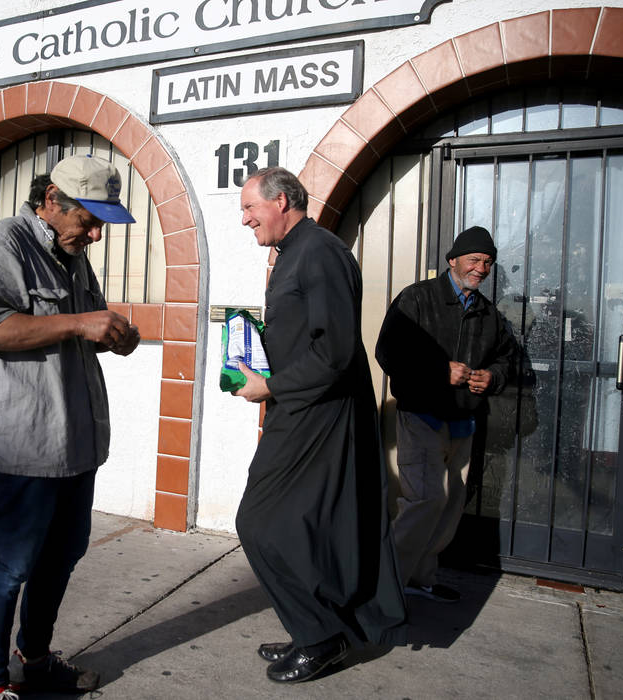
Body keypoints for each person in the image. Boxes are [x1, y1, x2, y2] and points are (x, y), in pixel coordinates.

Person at [0, 154, 141, 699]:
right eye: (89, 220)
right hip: (27, 439)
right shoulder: (3, 242)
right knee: (12, 565)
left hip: (75, 439)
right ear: (52, 202)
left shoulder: (73, 254)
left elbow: (84, 325)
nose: (96, 234)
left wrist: (112, 335)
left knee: (62, 555)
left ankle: (33, 659)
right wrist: (82, 322)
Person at [233, 167, 407, 684]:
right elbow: (308, 336)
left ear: (281, 200)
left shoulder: (320, 251)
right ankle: (313, 624)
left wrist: (270, 386)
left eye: (250, 208)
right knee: (302, 528)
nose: (245, 220)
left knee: (259, 522)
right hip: (299, 408)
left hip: (318, 415)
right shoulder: (295, 253)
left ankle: (321, 638)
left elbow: (334, 352)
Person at [375, 226, 517, 604]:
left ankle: (421, 578)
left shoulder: (489, 315)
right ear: (452, 260)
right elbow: (387, 352)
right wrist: (440, 370)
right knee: (425, 501)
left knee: (451, 504)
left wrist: (493, 377)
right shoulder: (418, 299)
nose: (481, 269)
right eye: (474, 260)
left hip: (463, 422)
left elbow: (507, 360)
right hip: (421, 415)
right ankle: (385, 583)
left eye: (487, 263)